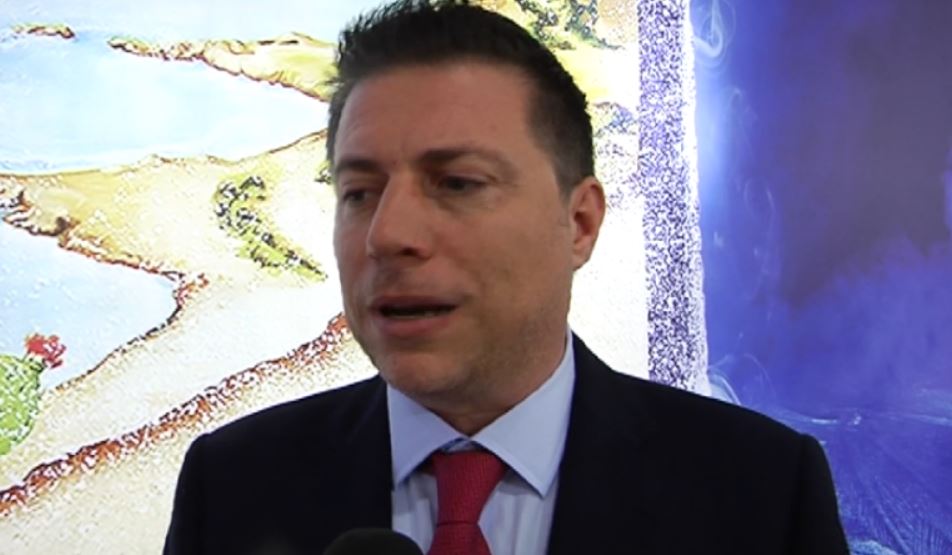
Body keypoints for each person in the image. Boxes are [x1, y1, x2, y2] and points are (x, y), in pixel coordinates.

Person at [163, 1, 849, 554]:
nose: (388, 235)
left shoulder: (761, 491)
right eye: (359, 192)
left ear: (579, 223)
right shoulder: (232, 486)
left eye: (458, 183)